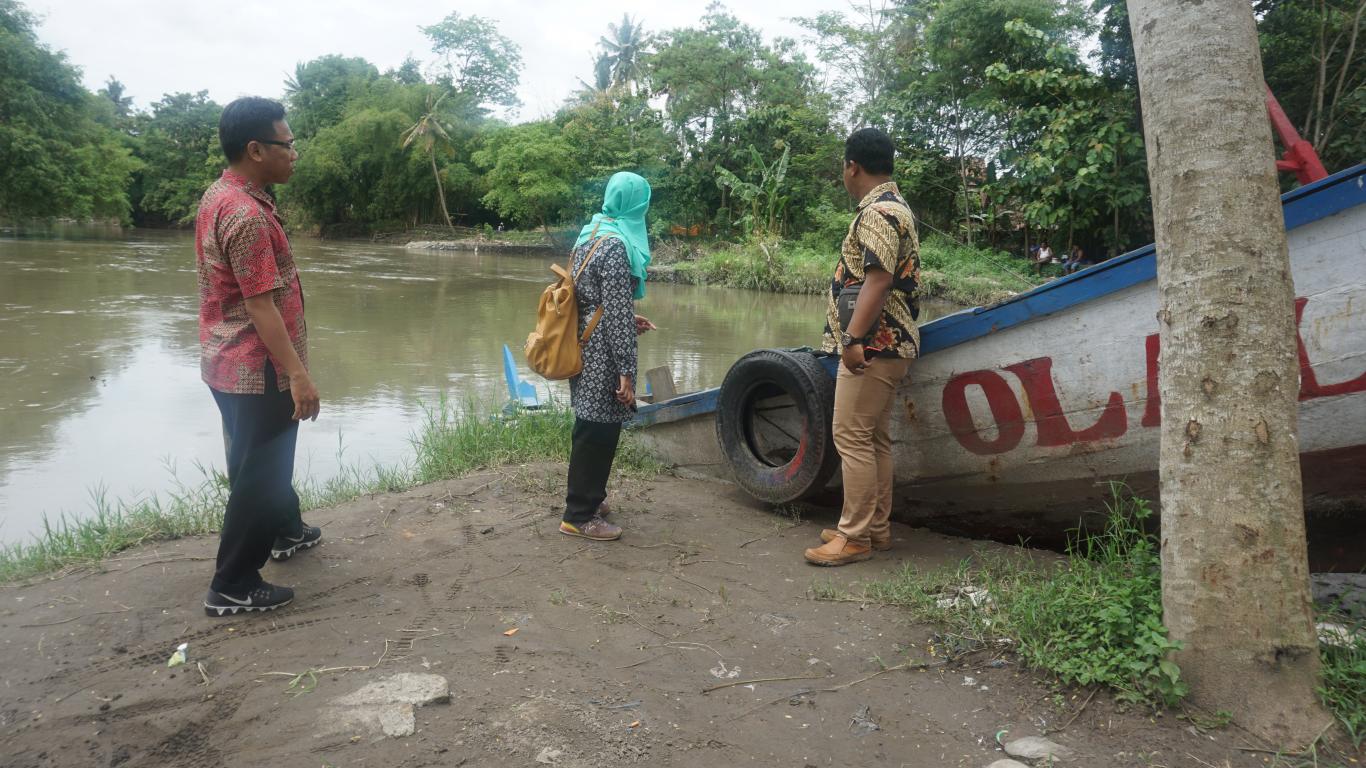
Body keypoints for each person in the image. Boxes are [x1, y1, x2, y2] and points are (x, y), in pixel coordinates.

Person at [196, 97, 322, 616]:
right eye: (287, 144)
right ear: (256, 149)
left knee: (258, 457)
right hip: (257, 365)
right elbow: (260, 305)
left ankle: (285, 530)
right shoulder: (246, 214)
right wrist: (298, 375)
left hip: (225, 360)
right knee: (263, 469)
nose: (295, 153)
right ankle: (234, 582)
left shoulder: (224, 194)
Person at [805, 128, 920, 567]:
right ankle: (875, 528)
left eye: (843, 166)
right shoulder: (896, 207)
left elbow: (878, 279)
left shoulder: (878, 212)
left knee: (850, 437)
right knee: (873, 440)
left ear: (852, 166)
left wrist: (852, 340)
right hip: (889, 347)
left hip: (873, 347)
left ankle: (854, 538)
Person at [560, 172, 655, 542]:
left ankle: (591, 500)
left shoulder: (591, 234)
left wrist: (626, 318)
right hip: (602, 349)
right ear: (636, 204)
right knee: (597, 430)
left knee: (591, 425)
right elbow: (614, 314)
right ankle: (578, 515)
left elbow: (590, 295)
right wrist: (628, 373)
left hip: (583, 338)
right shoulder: (616, 246)